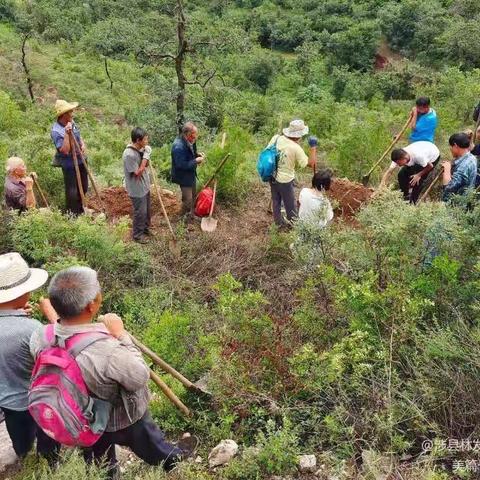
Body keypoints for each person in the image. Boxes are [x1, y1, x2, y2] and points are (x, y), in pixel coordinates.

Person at [31, 267, 197, 478]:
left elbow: (62, 336)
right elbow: (139, 376)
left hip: (82, 416)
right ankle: (170, 459)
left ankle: (107, 475)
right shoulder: (107, 351)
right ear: (92, 305)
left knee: (98, 457)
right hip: (121, 417)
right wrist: (121, 335)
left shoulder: (40, 336)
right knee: (149, 442)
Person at [0, 252, 59, 462]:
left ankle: (24, 459)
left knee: (21, 441)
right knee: (48, 436)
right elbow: (60, 351)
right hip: (38, 400)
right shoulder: (32, 329)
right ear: (22, 293)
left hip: (8, 402)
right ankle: (50, 461)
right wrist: (53, 317)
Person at [268, 119, 317, 228]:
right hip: (285, 180)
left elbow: (268, 151)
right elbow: (311, 164)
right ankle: (294, 226)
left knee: (276, 201)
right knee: (290, 205)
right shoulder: (296, 148)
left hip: (272, 175)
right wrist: (313, 148)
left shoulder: (276, 138)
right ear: (299, 135)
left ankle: (278, 224)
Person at [51, 99, 88, 215]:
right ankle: (73, 214)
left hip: (81, 159)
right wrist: (67, 133)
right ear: (63, 115)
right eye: (70, 112)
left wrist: (82, 144)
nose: (72, 114)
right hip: (69, 163)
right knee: (72, 191)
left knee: (84, 186)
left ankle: (81, 209)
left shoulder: (71, 122)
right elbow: (65, 150)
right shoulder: (56, 131)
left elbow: (78, 135)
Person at [123, 127, 152, 244]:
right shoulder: (129, 155)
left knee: (147, 211)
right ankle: (137, 235)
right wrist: (146, 156)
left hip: (144, 186)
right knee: (140, 212)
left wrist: (146, 155)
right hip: (136, 189)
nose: (147, 141)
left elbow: (146, 165)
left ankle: (145, 229)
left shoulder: (140, 149)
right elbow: (137, 173)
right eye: (145, 139)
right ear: (138, 140)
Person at [171, 122, 204, 220]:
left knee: (194, 195)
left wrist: (197, 155)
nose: (195, 137)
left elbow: (190, 153)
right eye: (194, 135)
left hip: (190, 173)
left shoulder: (190, 141)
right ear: (188, 134)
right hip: (183, 176)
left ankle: (191, 215)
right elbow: (181, 165)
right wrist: (196, 161)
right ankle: (182, 218)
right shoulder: (178, 147)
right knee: (187, 199)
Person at [442, 133, 478, 202]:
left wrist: (447, 169)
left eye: (451, 146)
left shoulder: (463, 166)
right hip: (464, 200)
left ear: (455, 146)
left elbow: (448, 188)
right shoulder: (472, 158)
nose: (450, 149)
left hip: (454, 206)